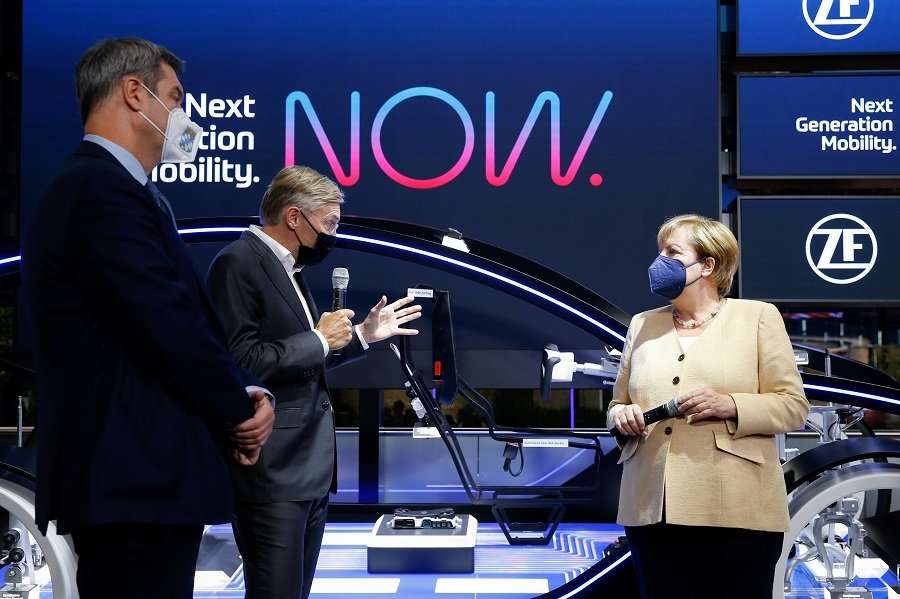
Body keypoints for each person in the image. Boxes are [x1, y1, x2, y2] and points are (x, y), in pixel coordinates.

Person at [21, 38, 275, 599]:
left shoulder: (119, 192)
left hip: (140, 479)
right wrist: (239, 410)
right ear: (135, 93)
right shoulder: (97, 191)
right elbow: (166, 323)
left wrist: (240, 395)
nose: (184, 114)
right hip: (130, 479)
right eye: (176, 97)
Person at [206, 165, 422, 599]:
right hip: (272, 472)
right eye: (330, 223)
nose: (334, 234)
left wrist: (362, 336)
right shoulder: (238, 263)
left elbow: (303, 360)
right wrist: (319, 339)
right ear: (294, 217)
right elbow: (240, 361)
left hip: (308, 472)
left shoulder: (289, 268)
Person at [607, 214, 809, 599]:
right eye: (659, 252)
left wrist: (730, 404)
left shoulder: (757, 318)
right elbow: (618, 403)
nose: (659, 262)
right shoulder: (642, 325)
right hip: (652, 509)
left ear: (708, 265)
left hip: (737, 509)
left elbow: (793, 405)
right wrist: (621, 415)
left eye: (673, 252)